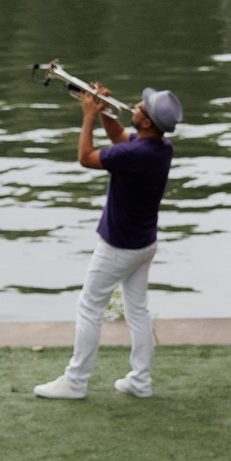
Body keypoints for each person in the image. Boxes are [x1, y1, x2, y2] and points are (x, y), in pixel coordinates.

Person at [33, 81, 181, 399]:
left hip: (119, 246)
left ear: (147, 122)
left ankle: (75, 381)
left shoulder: (136, 152)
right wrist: (103, 108)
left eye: (142, 107)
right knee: (138, 311)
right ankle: (140, 381)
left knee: (89, 307)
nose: (136, 106)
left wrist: (87, 115)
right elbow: (118, 137)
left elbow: (86, 157)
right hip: (144, 243)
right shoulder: (158, 147)